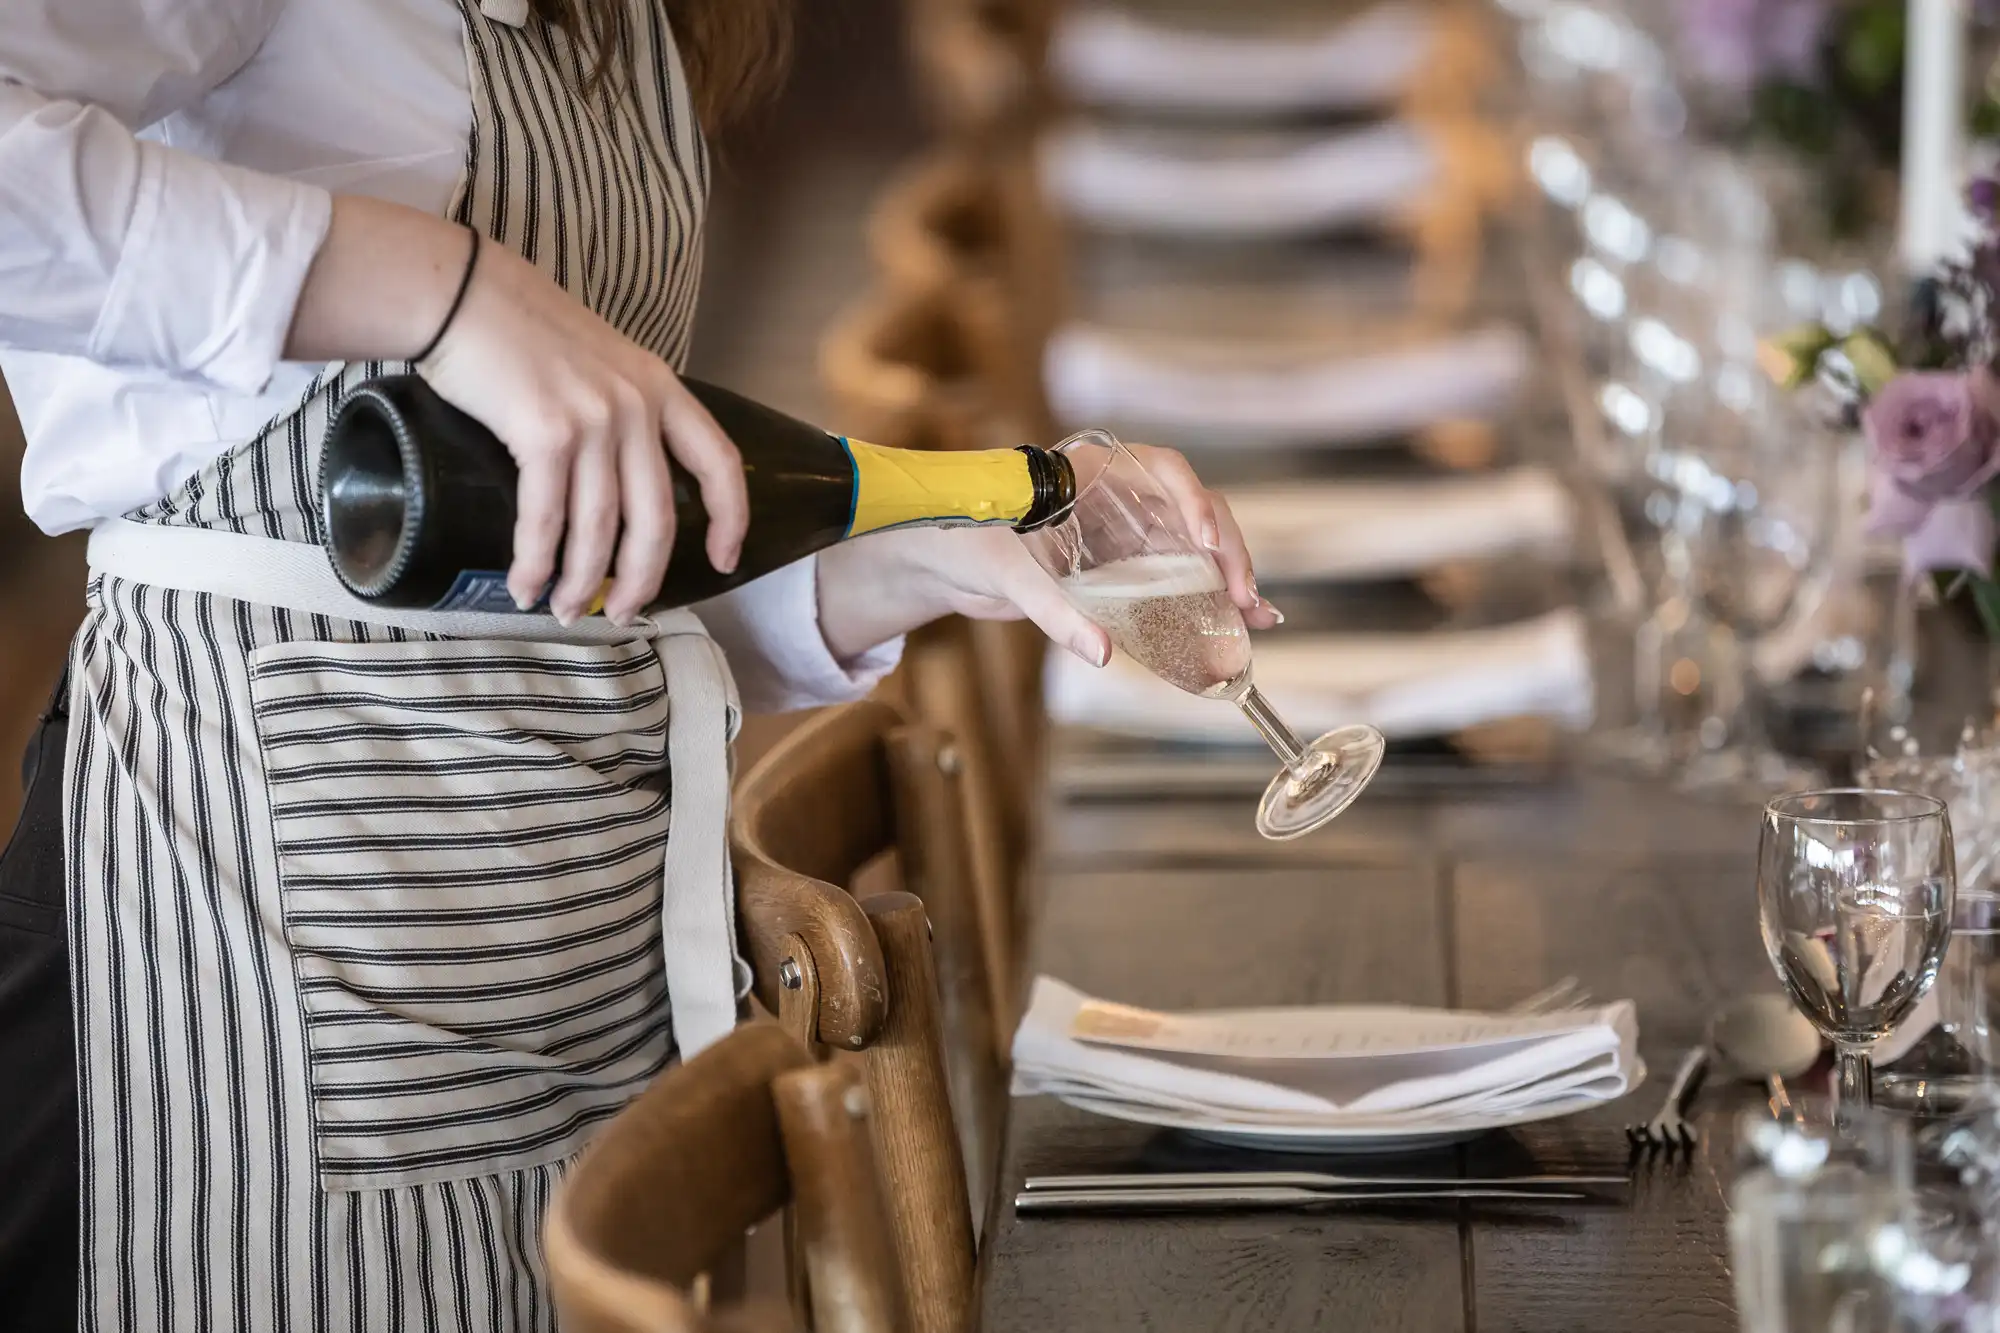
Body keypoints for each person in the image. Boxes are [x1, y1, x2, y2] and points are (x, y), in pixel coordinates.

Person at [0, 1, 1278, 1328]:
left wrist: (919, 561)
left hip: (579, 961)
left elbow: (559, 553)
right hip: (259, 955)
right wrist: (443, 289)